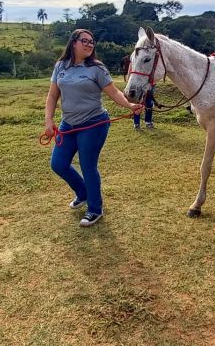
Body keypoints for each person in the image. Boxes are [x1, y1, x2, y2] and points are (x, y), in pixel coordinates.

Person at [44, 29, 142, 227]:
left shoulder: (97, 68)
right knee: (58, 163)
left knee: (88, 165)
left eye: (92, 42)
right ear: (73, 43)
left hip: (94, 124)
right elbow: (53, 95)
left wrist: (130, 106)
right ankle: (83, 193)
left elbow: (113, 92)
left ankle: (95, 209)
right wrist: (48, 120)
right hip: (68, 124)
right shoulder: (60, 66)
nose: (89, 45)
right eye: (85, 41)